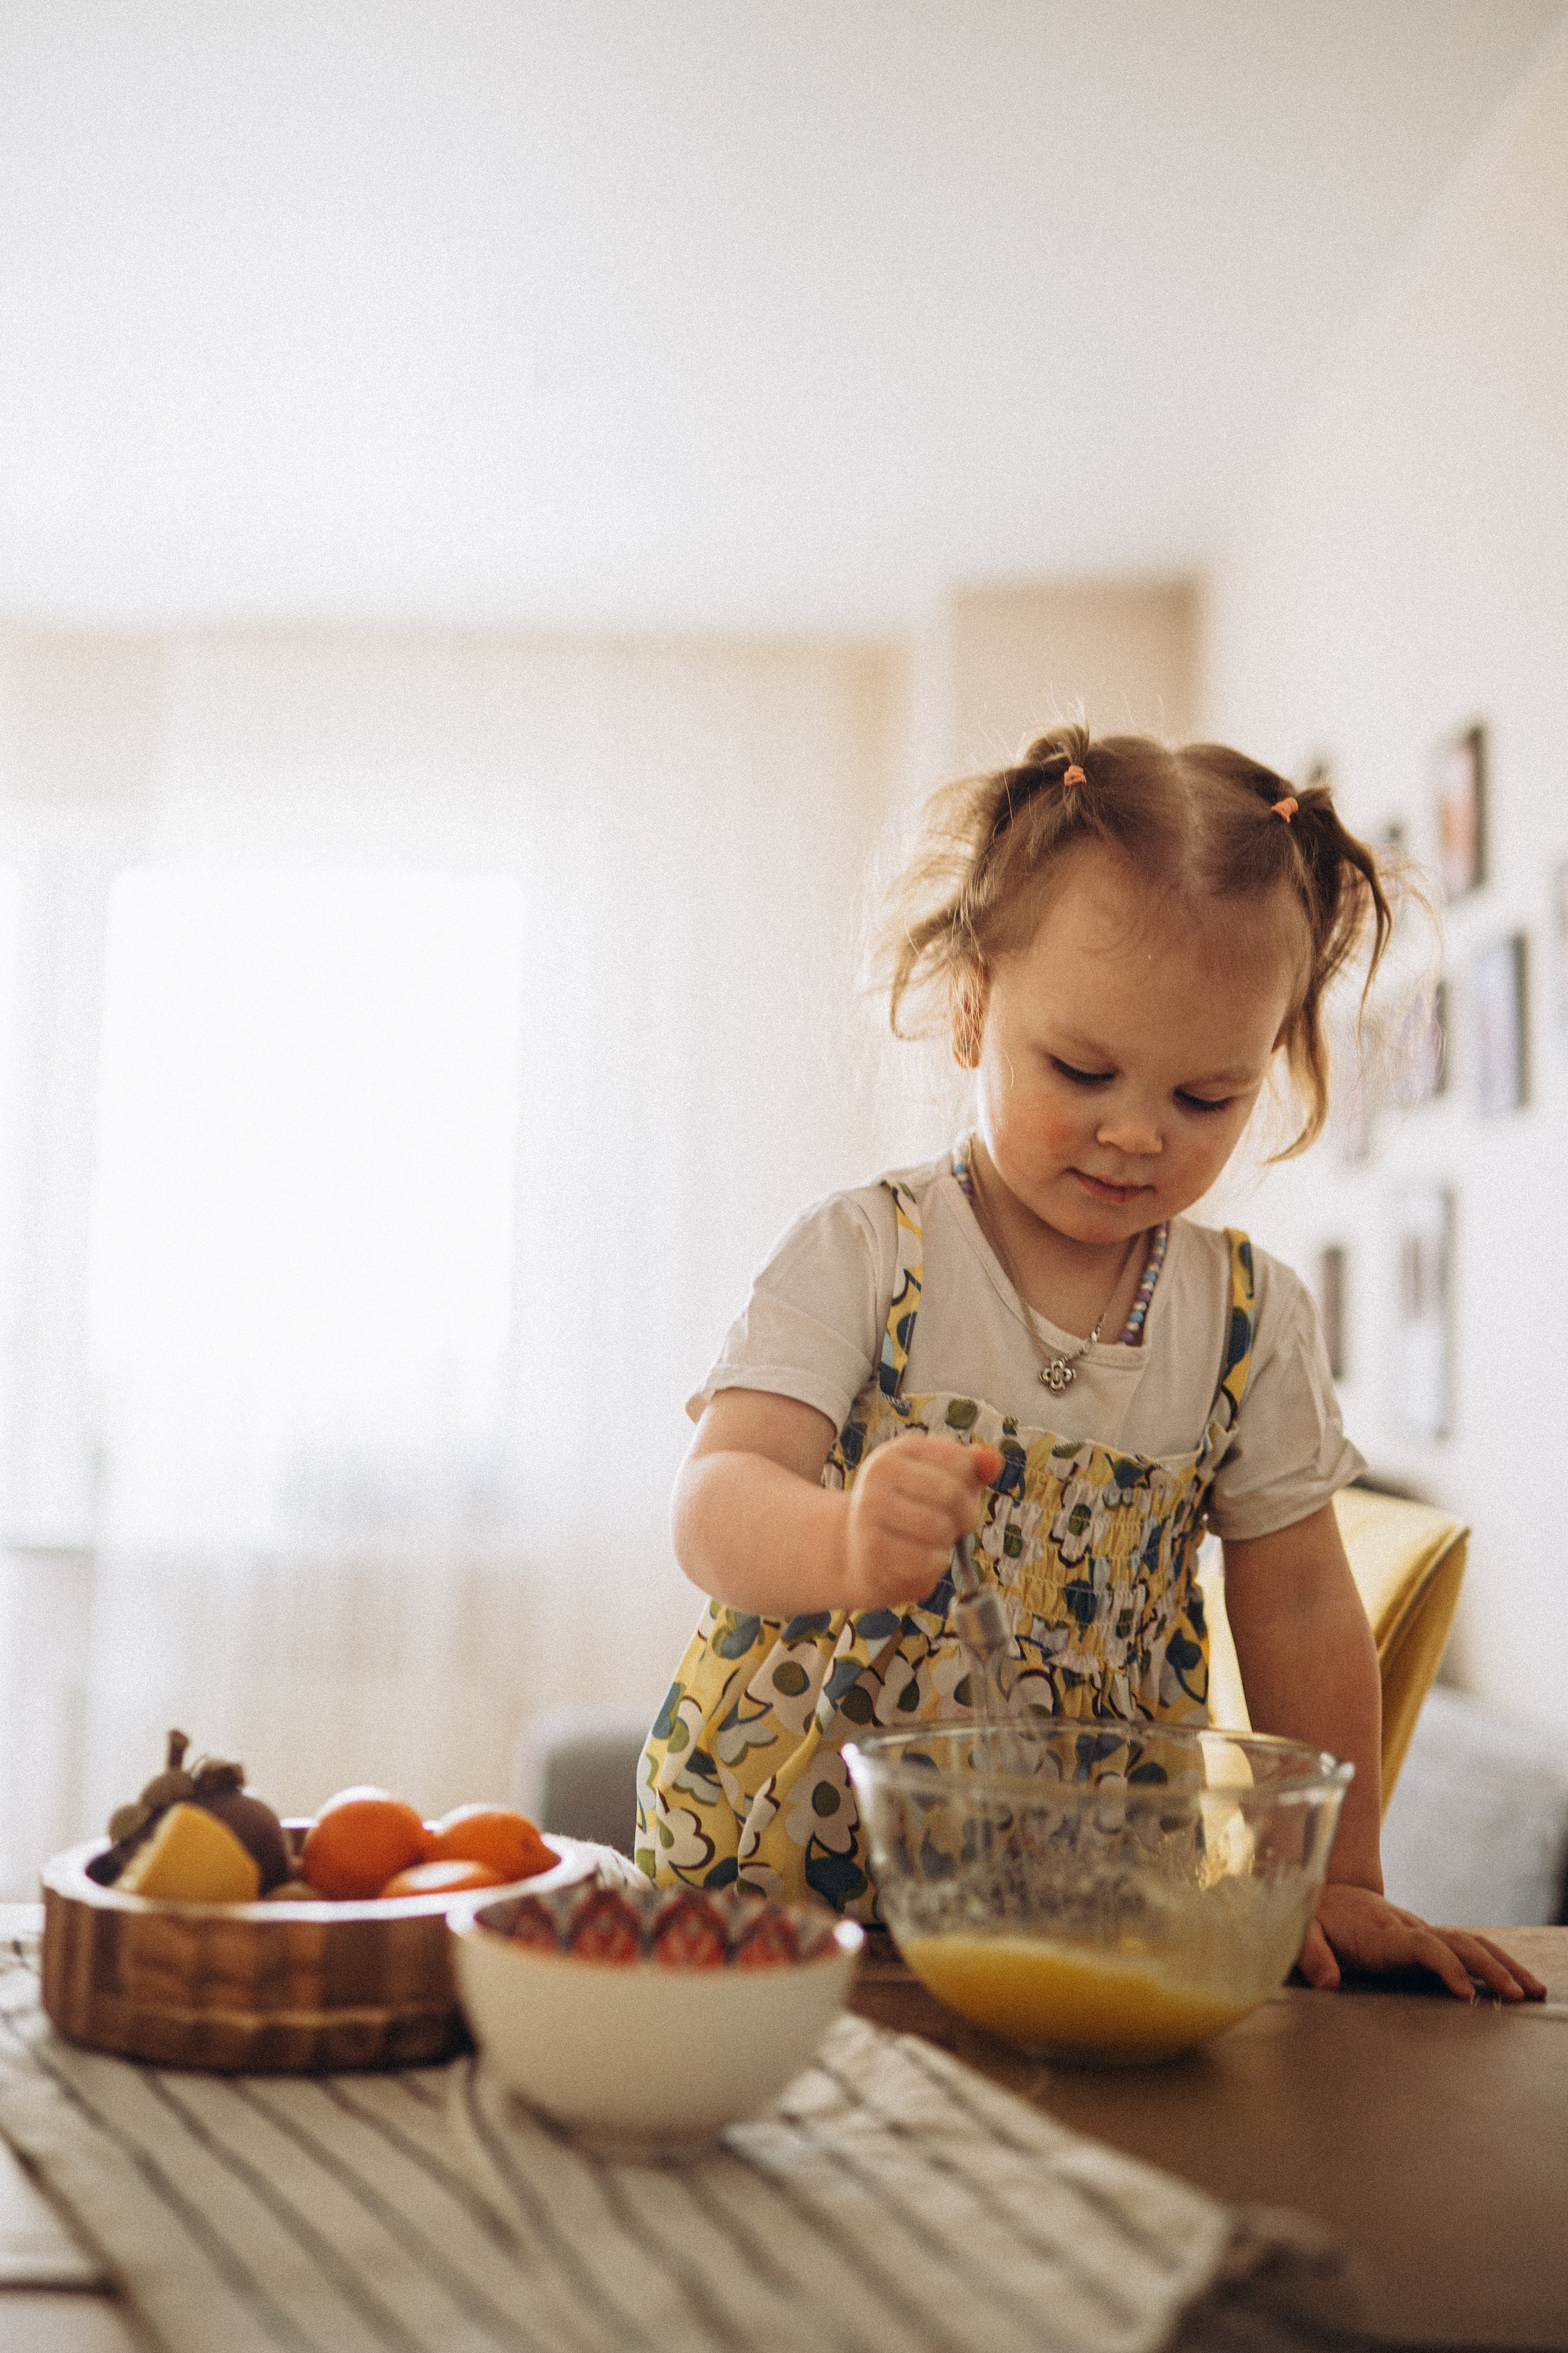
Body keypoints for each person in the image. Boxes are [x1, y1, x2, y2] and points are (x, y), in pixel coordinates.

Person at [639, 725, 1542, 2003]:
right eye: (1080, 1068)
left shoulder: (1247, 1317)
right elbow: (711, 1500)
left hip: (1084, 1887)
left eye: (1205, 1098)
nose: (1135, 1132)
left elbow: (1294, 1607)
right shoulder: (863, 1250)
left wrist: (1343, 1876)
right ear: (970, 1008)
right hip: (788, 1866)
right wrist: (841, 1539)